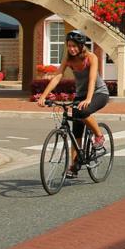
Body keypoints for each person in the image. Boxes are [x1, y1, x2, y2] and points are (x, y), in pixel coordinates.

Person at [37, 30, 109, 178]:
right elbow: (57, 76)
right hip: (81, 95)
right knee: (76, 131)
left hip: (99, 93)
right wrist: (43, 96)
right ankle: (75, 166)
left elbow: (92, 79)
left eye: (74, 46)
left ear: (82, 46)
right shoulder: (68, 59)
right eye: (69, 45)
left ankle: (99, 136)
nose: (71, 48)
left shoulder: (91, 57)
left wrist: (88, 99)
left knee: (83, 112)